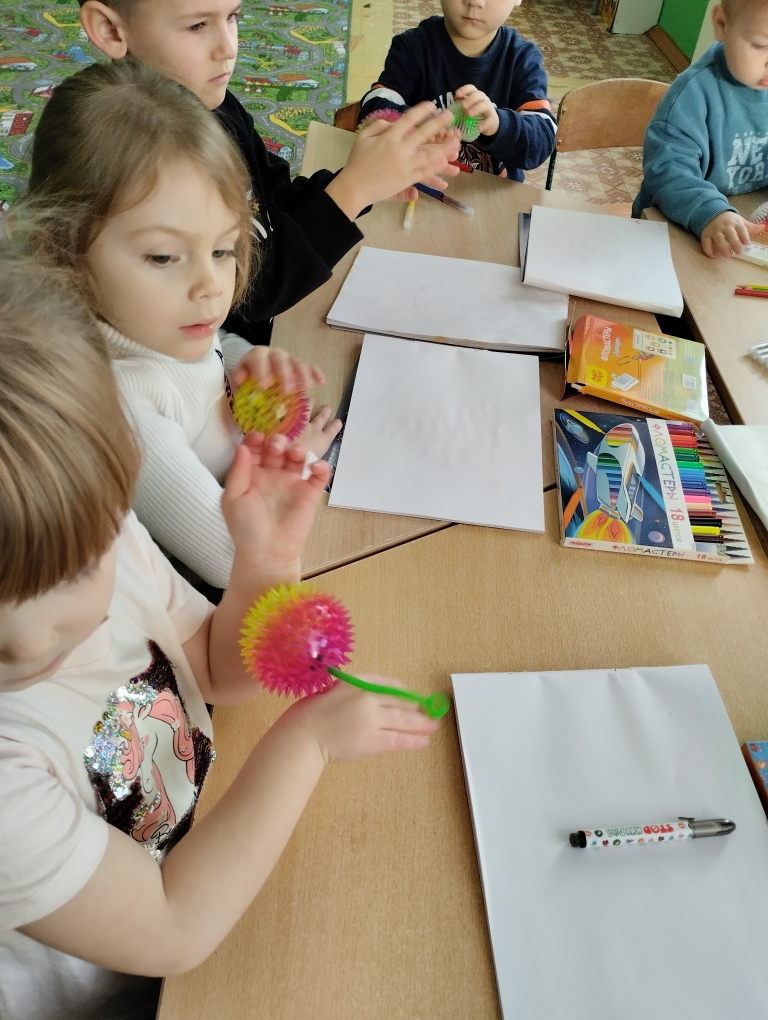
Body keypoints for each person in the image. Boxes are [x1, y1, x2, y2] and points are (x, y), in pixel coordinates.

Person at [0, 252, 441, 1020]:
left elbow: (212, 667)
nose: (45, 627)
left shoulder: (101, 530)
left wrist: (264, 561)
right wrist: (306, 744)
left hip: (210, 854)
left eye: (82, 562)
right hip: (136, 987)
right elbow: (171, 928)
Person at [29, 59, 339, 592]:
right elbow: (229, 559)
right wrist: (294, 465)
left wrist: (245, 359)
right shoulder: (125, 411)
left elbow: (210, 351)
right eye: (164, 257)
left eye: (223, 249)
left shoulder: (154, 320)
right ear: (63, 250)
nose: (211, 287)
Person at [75, 0, 461, 344]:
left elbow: (274, 205)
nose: (229, 48)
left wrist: (367, 179)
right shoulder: (138, 162)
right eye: (197, 25)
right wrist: (353, 190)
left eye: (232, 17)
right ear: (110, 30)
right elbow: (245, 296)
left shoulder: (215, 106)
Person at [357, 0, 556, 179]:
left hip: (490, 196)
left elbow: (541, 140)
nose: (475, 2)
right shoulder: (412, 47)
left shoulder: (523, 60)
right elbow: (373, 109)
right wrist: (419, 125)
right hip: (417, 185)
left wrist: (498, 124)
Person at [632, 0, 768, 258]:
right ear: (721, 24)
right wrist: (710, 211)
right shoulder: (691, 95)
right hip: (673, 231)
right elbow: (667, 171)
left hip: (744, 230)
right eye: (761, 45)